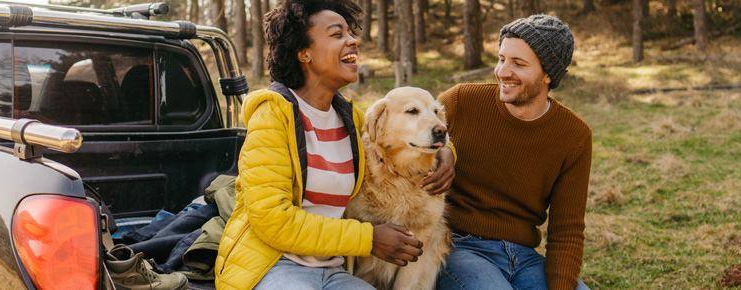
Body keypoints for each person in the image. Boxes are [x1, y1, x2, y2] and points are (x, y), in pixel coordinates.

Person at [213, 0, 453, 289]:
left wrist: (448, 152)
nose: (353, 40)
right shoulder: (272, 116)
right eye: (338, 34)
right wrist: (368, 239)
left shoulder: (350, 118)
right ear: (304, 53)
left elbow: (403, 134)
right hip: (271, 266)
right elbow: (272, 220)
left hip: (333, 268)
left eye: (351, 33)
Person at [434, 15, 592, 290]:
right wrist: (445, 149)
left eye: (518, 64)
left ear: (547, 74)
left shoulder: (574, 136)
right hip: (457, 246)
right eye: (502, 58)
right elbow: (406, 135)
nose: (503, 71)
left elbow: (566, 231)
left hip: (524, 257)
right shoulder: (460, 101)